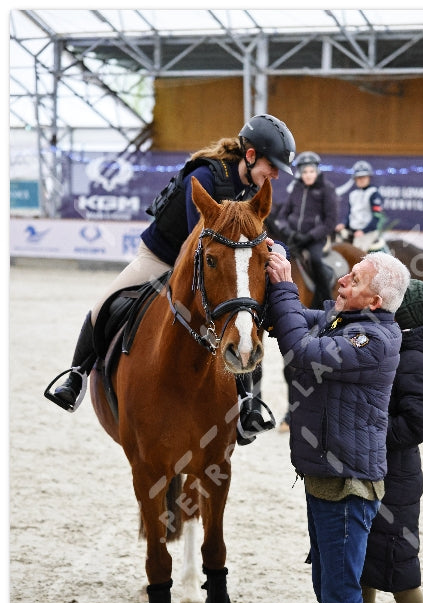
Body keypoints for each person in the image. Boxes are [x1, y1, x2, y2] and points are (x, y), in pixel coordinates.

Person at [44, 114, 296, 445]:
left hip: (212, 265)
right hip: (163, 256)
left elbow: (267, 233)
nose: (275, 174)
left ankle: (247, 403)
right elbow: (198, 242)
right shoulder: (206, 176)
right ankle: (75, 377)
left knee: (244, 318)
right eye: (272, 165)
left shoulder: (254, 186)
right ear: (250, 156)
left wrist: (276, 249)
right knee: (103, 305)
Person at [266, 249, 410, 603]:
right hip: (327, 479)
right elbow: (295, 318)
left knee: (343, 597)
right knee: (328, 590)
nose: (343, 278)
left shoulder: (372, 338)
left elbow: (302, 352)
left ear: (375, 297)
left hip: (348, 487)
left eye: (355, 277)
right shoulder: (342, 318)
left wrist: (285, 283)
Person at [315, 279, 423, 603]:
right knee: (362, 561)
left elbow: (416, 424)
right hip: (373, 467)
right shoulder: (401, 347)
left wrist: (365, 427)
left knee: (398, 564)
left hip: (396, 476)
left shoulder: (415, 360)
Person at [276, 151, 339, 309]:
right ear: (300, 173)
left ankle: (327, 303)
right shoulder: (296, 188)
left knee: (315, 261)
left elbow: (330, 221)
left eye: (311, 171)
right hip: (294, 237)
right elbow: (282, 215)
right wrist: (288, 231)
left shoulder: (327, 189)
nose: (308, 175)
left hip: (315, 240)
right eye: (305, 172)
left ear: (317, 171)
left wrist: (310, 236)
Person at [335, 160, 384, 251]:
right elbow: (350, 214)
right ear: (355, 179)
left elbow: (377, 217)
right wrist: (343, 224)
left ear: (369, 177)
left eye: (363, 177)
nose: (361, 179)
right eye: (358, 177)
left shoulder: (374, 193)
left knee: (356, 252)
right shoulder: (353, 194)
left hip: (367, 233)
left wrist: (363, 231)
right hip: (352, 231)